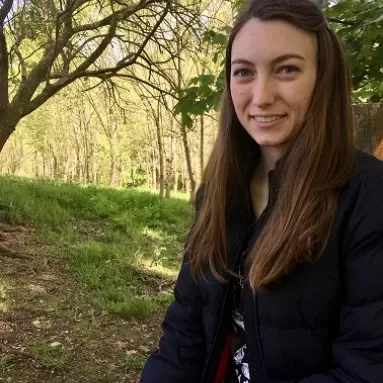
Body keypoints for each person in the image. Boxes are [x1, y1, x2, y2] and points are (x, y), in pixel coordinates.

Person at [141, 0, 383, 382]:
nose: (261, 95)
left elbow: (366, 368)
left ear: (323, 78)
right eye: (244, 72)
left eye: (287, 69)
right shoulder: (219, 192)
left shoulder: (369, 198)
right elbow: (183, 332)